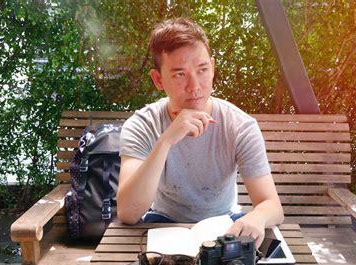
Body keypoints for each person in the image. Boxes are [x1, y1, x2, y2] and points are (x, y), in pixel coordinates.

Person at [117, 17, 283, 247]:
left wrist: (257, 217)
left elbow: (272, 204)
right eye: (179, 74)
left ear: (212, 68)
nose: (194, 86)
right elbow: (128, 212)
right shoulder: (143, 124)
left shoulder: (239, 125)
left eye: (202, 69)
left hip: (225, 221)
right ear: (158, 80)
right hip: (163, 222)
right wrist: (165, 141)